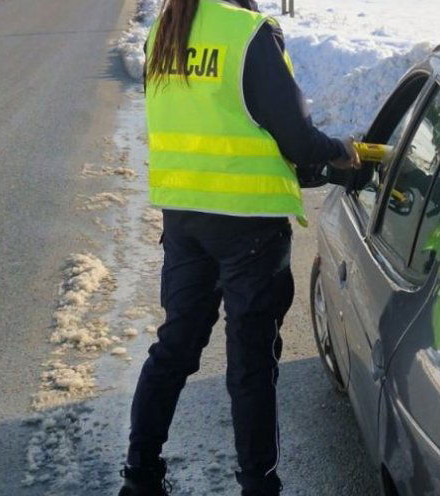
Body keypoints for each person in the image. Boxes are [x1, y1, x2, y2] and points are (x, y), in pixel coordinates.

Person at [118, 0, 360, 495]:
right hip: (249, 226)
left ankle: (140, 476)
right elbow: (297, 139)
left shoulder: (164, 30)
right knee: (250, 362)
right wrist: (341, 152)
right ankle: (258, 485)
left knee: (174, 349)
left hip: (185, 220)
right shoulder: (250, 34)